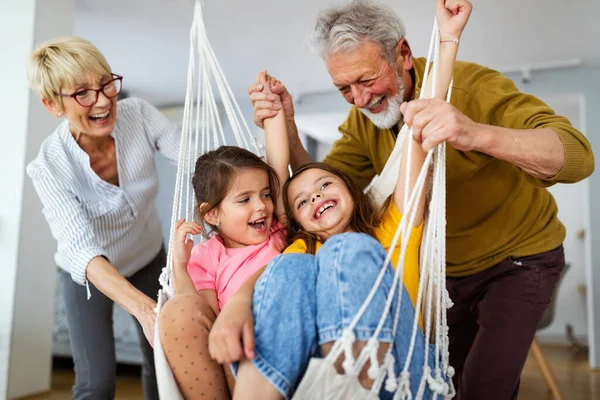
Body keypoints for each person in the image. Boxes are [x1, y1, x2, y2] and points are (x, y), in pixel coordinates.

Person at [248, 1, 594, 399]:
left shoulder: (473, 88)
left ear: (404, 55)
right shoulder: (366, 122)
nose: (359, 99)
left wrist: (473, 133)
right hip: (442, 274)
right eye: (344, 88)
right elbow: (325, 185)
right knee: (447, 383)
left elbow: (577, 156)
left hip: (516, 260)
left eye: (366, 78)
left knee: (483, 388)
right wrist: (287, 127)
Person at [206, 2, 470, 398]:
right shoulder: (302, 249)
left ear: (351, 189)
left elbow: (420, 123)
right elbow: (270, 277)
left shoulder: (393, 224)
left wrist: (447, 40)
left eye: (325, 185)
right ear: (298, 221)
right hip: (318, 376)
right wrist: (237, 306)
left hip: (402, 375)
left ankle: (357, 375)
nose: (316, 198)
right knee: (290, 271)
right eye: (302, 202)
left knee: (347, 248)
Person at [26, 36, 180, 399]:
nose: (103, 100)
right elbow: (82, 250)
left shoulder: (139, 114)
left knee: (164, 366)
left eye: (106, 83)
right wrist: (144, 309)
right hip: (89, 277)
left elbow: (193, 158)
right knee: (96, 385)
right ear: (53, 105)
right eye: (82, 92)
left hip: (147, 256)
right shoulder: (48, 167)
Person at [158, 75, 291, 398]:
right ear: (212, 214)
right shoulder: (208, 256)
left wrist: (272, 112)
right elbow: (199, 315)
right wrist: (179, 264)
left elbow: (278, 164)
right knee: (178, 311)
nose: (261, 206)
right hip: (235, 353)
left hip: (279, 348)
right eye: (244, 200)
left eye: (265, 194)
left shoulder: (278, 231)